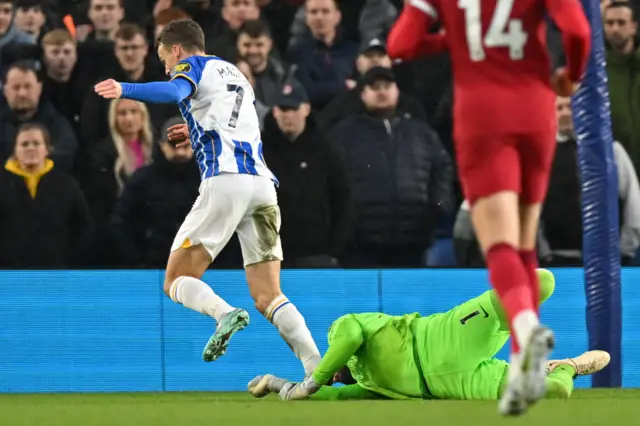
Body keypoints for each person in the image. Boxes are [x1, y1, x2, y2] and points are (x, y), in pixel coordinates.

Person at [386, 0, 592, 415]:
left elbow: (401, 45)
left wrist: (453, 40)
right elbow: (579, 33)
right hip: (536, 107)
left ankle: (526, 327)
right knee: (524, 243)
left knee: (498, 245)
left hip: (482, 111)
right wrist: (572, 75)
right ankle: (523, 365)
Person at [93, 18, 321, 377]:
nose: (167, 69)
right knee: (268, 294)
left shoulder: (192, 65)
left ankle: (223, 313)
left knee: (175, 280)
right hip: (261, 186)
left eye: (165, 59)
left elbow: (172, 93)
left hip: (225, 181)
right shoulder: (235, 73)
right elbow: (231, 122)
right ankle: (315, 365)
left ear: (178, 49)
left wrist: (125, 87)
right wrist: (196, 129)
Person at [248, 269, 611, 403]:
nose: (335, 376)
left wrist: (314, 379)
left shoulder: (343, 328)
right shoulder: (368, 384)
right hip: (449, 387)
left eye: (331, 369)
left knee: (542, 282)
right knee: (557, 390)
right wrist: (277, 383)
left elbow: (346, 342)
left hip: (443, 337)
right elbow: (329, 399)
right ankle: (567, 365)